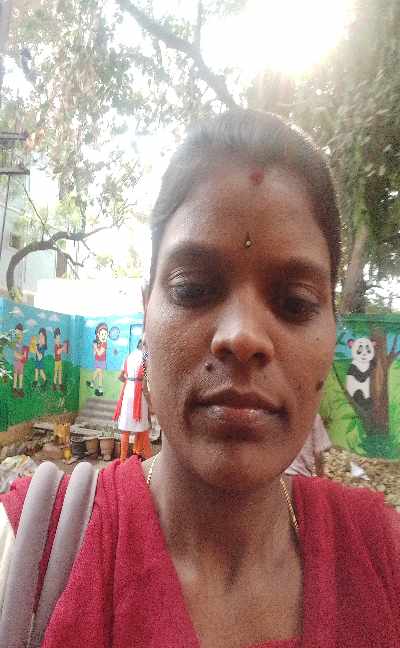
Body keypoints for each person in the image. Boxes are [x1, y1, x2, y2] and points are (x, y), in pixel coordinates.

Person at [0, 110, 399, 647]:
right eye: (193, 288)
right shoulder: (22, 552)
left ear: (333, 332)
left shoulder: (383, 560)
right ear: (146, 313)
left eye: (295, 302)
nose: (243, 337)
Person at [113, 340, 152, 462]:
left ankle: (122, 460)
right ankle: (148, 458)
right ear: (144, 346)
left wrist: (129, 382)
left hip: (128, 391)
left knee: (126, 428)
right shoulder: (145, 357)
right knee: (142, 427)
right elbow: (146, 379)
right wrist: (150, 401)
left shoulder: (128, 356)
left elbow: (120, 376)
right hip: (139, 393)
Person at [86, 322, 108, 396]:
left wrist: (95, 347)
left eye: (105, 334)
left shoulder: (104, 344)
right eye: (102, 334)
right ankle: (100, 390)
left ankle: (92, 383)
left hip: (101, 361)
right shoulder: (99, 343)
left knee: (97, 371)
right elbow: (94, 354)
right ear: (98, 335)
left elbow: (100, 353)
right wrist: (94, 347)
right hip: (97, 360)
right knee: (100, 374)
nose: (104, 336)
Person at [12, 323, 25, 397]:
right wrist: (21, 356)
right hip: (16, 362)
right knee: (16, 374)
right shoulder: (15, 343)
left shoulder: (22, 343)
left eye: (20, 333)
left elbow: (24, 352)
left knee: (21, 375)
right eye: (16, 333)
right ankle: (14, 389)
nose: (18, 335)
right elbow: (15, 354)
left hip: (21, 362)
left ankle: (20, 389)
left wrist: (24, 355)